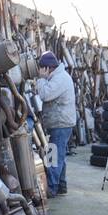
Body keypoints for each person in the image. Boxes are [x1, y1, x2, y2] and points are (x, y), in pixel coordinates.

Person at [35, 51, 76, 197]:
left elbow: (45, 95)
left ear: (48, 68)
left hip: (61, 124)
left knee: (53, 157)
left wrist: (41, 79)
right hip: (61, 123)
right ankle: (61, 186)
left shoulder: (59, 79)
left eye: (42, 68)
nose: (40, 71)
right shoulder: (58, 76)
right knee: (59, 156)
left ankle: (51, 189)